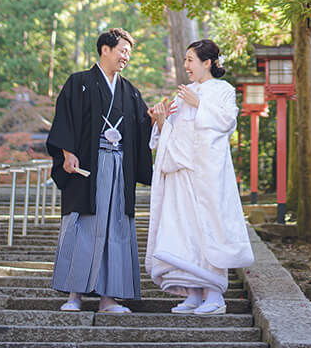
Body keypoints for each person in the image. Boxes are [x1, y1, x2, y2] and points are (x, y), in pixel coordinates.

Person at [47, 27, 152, 313]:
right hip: (88, 169)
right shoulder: (78, 82)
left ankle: (109, 298)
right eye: (122, 51)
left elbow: (144, 128)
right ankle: (74, 296)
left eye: (129, 53)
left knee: (117, 227)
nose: (126, 57)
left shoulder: (130, 92)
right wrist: (67, 153)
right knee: (82, 226)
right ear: (105, 49)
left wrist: (157, 119)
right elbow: (65, 119)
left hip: (119, 167)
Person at [145, 38, 254, 315]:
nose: (186, 66)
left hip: (208, 173)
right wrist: (160, 122)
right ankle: (193, 292)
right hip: (182, 171)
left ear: (207, 62)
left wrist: (199, 104)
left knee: (209, 229)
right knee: (185, 231)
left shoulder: (223, 90)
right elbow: (177, 131)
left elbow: (227, 123)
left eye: (190, 60)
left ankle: (215, 295)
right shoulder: (185, 92)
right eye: (185, 61)